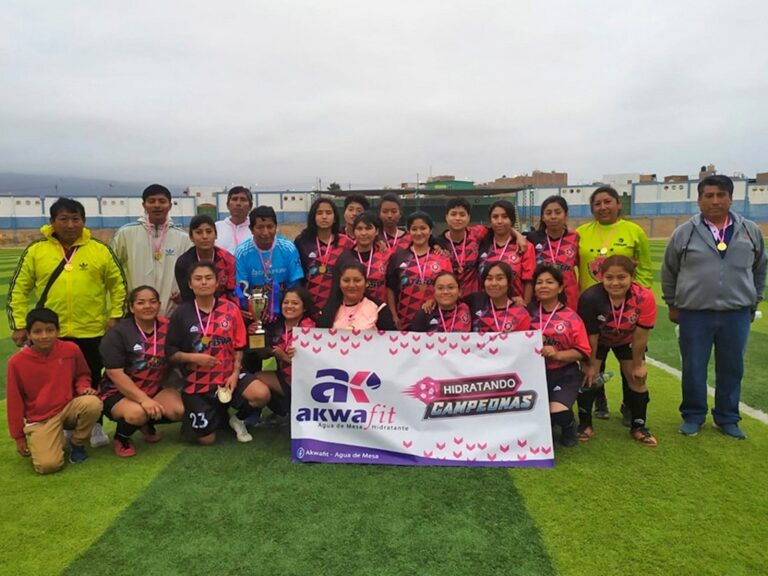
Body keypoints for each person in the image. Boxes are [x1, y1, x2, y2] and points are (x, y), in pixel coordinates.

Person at [7, 196, 126, 448]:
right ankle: (56, 426)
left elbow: (118, 285)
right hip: (50, 333)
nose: (70, 224)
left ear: (84, 221)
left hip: (91, 330)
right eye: (64, 219)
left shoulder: (99, 249)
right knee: (53, 383)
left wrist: (115, 315)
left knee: (92, 377)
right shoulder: (36, 251)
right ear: (52, 222)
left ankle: (93, 426)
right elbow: (18, 289)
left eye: (76, 219)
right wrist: (19, 324)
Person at [662, 175, 767, 439]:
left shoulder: (749, 230)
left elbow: (760, 269)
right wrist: (672, 303)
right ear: (699, 200)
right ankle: (694, 416)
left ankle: (727, 417)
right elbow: (669, 270)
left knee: (732, 367)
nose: (715, 201)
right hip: (694, 313)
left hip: (736, 313)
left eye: (721, 195)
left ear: (731, 198)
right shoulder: (684, 232)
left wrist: (754, 301)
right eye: (708, 195)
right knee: (694, 367)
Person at [166, 262, 271, 444]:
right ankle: (213, 413)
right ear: (190, 284)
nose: (204, 283)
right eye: (198, 279)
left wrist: (235, 374)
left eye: (208, 278)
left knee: (261, 394)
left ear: (216, 283)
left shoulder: (230, 309)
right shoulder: (181, 314)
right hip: (197, 381)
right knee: (207, 440)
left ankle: (236, 419)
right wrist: (194, 357)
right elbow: (170, 353)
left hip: (227, 376)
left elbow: (239, 346)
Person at [576, 186, 652, 422]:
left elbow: (646, 268)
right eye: (597, 204)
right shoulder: (580, 232)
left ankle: (630, 405)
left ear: (618, 203)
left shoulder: (634, 231)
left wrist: (638, 301)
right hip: (592, 307)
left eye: (607, 202)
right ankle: (600, 400)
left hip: (625, 308)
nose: (603, 207)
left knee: (630, 363)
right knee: (592, 362)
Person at [6, 308, 102, 474]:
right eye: (37, 331)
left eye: (50, 330)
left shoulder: (71, 349)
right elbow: (14, 401)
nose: (44, 336)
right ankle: (53, 439)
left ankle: (77, 442)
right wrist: (18, 438)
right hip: (41, 417)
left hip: (68, 407)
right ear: (28, 335)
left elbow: (83, 374)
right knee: (48, 466)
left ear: (58, 331)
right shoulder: (16, 362)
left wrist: (83, 387)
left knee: (93, 403)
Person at [578, 256, 657, 446]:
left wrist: (638, 365)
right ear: (601, 277)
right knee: (589, 377)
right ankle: (585, 425)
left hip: (628, 339)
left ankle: (639, 427)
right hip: (599, 339)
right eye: (609, 278)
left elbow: (641, 335)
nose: (615, 283)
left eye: (621, 277)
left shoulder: (644, 297)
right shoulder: (590, 297)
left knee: (637, 377)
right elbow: (592, 337)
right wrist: (589, 365)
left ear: (631, 277)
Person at [99, 286, 184, 457]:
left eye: (153, 302)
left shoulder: (169, 327)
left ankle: (146, 424)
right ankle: (122, 437)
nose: (147, 306)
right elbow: (115, 374)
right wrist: (144, 400)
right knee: (137, 413)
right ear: (131, 307)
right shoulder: (118, 333)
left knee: (177, 410)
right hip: (119, 392)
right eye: (141, 302)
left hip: (154, 388)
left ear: (159, 305)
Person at [528, 264, 590, 447]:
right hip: (533, 375)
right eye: (539, 282)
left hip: (563, 374)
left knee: (557, 414)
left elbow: (582, 351)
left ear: (561, 287)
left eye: (549, 282)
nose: (543, 286)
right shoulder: (526, 312)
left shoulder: (571, 317)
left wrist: (557, 355)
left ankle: (569, 424)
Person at [111, 184, 192, 316]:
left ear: (170, 205)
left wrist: (184, 291)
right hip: (136, 313)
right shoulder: (126, 234)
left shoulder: (183, 238)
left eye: (162, 201)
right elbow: (112, 271)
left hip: (171, 312)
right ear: (144, 205)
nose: (157, 205)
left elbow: (191, 272)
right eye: (151, 201)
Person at [386, 211, 453, 330]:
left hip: (435, 317)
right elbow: (390, 288)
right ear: (409, 231)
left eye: (423, 228)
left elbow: (451, 286)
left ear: (430, 230)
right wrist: (393, 314)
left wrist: (434, 299)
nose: (419, 233)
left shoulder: (441, 257)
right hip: (405, 318)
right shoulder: (398, 257)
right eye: (414, 229)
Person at [294, 197, 354, 314]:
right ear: (313, 217)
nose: (324, 217)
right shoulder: (302, 241)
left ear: (335, 217)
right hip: (310, 304)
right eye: (319, 213)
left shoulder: (346, 243)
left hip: (339, 303)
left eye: (328, 213)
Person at [525, 196, 580, 310]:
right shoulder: (532, 238)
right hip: (541, 297)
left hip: (569, 298)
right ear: (543, 217)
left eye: (558, 212)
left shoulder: (575, 238)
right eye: (548, 213)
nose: (553, 216)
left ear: (565, 215)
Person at [477, 200, 536, 304]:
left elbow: (529, 281)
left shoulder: (524, 246)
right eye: (495, 217)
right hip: (486, 306)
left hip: (514, 305)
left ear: (512, 220)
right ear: (490, 220)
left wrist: (526, 305)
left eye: (505, 217)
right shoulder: (481, 243)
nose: (499, 221)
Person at [174, 215, 236, 303]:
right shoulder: (183, 263)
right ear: (191, 237)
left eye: (209, 231)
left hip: (224, 307)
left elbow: (233, 291)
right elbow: (187, 297)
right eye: (199, 232)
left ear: (216, 235)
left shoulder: (228, 259)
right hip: (194, 308)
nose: (205, 236)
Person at [317, 262, 395, 330]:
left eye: (357, 280)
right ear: (339, 284)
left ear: (366, 283)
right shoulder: (327, 311)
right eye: (346, 280)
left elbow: (390, 343)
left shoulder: (379, 309)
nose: (351, 285)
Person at [337, 212, 391, 303]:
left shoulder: (386, 255)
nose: (364, 233)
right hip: (354, 311)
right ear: (354, 232)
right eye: (359, 229)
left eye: (368, 228)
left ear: (377, 231)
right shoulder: (345, 258)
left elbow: (391, 287)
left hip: (380, 309)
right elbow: (337, 290)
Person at [467, 262, 532, 333]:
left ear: (509, 282)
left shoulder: (521, 313)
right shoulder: (474, 302)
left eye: (500, 278)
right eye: (489, 278)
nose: (494, 283)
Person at [215, 186, 254, 254]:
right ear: (227, 205)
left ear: (250, 206)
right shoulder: (216, 228)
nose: (238, 203)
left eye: (243, 199)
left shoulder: (256, 229)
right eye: (234, 199)